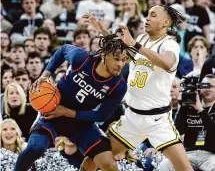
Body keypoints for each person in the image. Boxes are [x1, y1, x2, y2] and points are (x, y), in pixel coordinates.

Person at [81, 5, 193, 171]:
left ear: (166, 22)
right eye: (147, 15)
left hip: (158, 120)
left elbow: (168, 62)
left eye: (153, 15)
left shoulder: (169, 44)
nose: (147, 18)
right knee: (92, 160)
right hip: (132, 117)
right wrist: (102, 29)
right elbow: (124, 50)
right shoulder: (141, 39)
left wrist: (136, 45)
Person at [14, 33, 137, 171]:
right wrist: (46, 74)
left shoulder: (119, 85)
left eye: (124, 59)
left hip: (81, 124)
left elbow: (101, 116)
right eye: (116, 59)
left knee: (109, 165)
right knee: (36, 147)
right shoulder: (82, 58)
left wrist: (67, 112)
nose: (120, 64)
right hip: (53, 114)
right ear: (104, 55)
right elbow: (62, 50)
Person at [159, 74, 215, 171]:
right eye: (204, 86)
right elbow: (178, 131)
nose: (207, 89)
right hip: (189, 154)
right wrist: (183, 105)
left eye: (211, 86)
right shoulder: (188, 105)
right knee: (165, 165)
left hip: (210, 155)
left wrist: (201, 111)